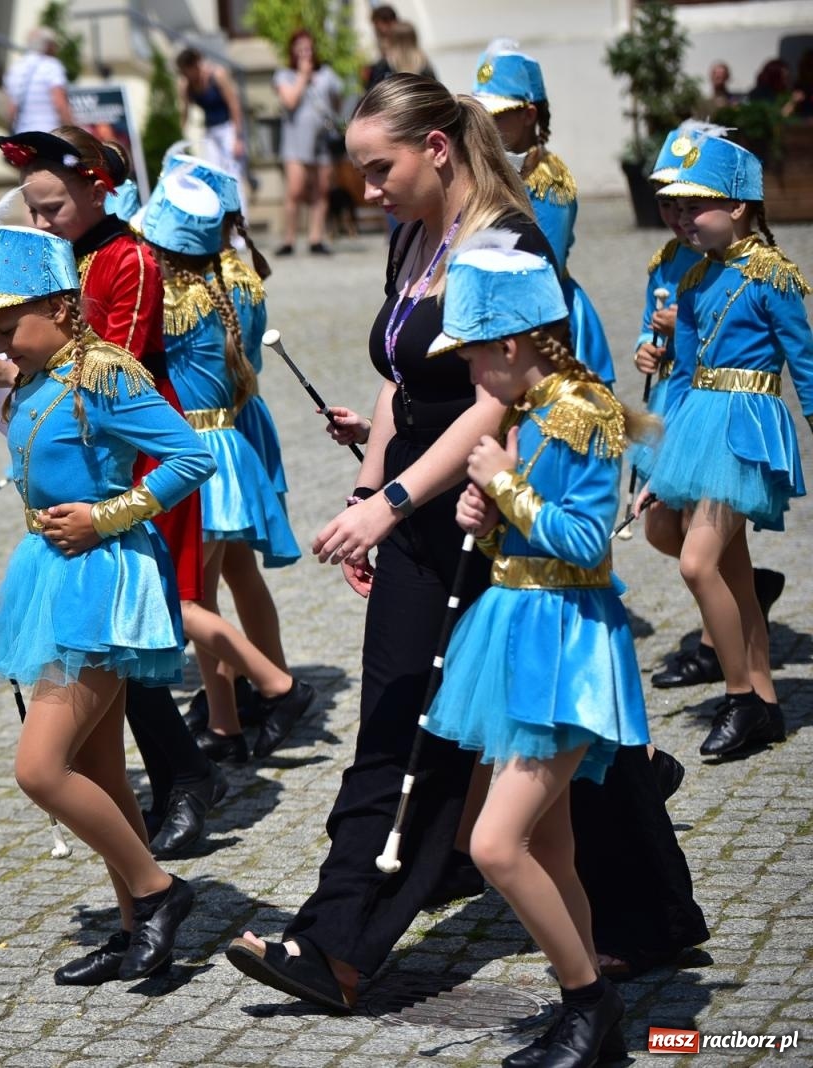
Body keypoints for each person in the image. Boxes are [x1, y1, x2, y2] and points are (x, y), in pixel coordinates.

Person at [223, 74, 560, 1013]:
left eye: (382, 168)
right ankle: (648, 898)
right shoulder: (416, 233)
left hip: (472, 515)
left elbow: (498, 401)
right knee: (439, 721)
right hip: (417, 508)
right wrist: (369, 484)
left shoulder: (506, 244)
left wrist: (396, 502)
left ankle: (337, 945)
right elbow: (396, 383)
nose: (367, 189)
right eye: (361, 171)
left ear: (440, 149)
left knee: (416, 729)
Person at [0, 223, 214, 984]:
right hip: (53, 574)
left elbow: (193, 455)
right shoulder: (38, 374)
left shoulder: (107, 374)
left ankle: (161, 892)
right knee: (98, 771)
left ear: (65, 310)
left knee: (40, 768)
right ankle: (137, 927)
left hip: (102, 580)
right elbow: (42, 422)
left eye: (12, 327)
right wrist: (4, 370)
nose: (5, 342)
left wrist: (109, 514)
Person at [0, 128, 230, 859]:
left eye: (53, 209)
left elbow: (133, 373)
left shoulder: (124, 265)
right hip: (61, 542)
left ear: (94, 189)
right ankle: (141, 906)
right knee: (101, 754)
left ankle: (179, 811)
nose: (46, 223)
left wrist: (112, 507)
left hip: (121, 467)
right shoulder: (45, 329)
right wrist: (13, 372)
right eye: (37, 212)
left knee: (61, 748)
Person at [421, 238, 649, 1067]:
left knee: (493, 846)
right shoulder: (530, 410)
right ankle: (586, 1016)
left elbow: (588, 541)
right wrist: (488, 521)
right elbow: (529, 533)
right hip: (519, 630)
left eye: (474, 352)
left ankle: (593, 1007)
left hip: (566, 644)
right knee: (550, 848)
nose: (468, 370)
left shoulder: (581, 412)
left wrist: (507, 486)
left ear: (511, 346)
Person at [639, 131, 812, 760]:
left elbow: (807, 366)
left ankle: (738, 694)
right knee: (734, 577)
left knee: (696, 563)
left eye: (696, 205)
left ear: (739, 205)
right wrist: (661, 467)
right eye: (675, 206)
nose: (682, 217)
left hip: (747, 430)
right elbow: (683, 377)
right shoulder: (692, 281)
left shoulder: (774, 277)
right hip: (698, 428)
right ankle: (764, 701)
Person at [140, 167, 314, 763]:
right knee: (238, 576)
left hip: (194, 451)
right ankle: (255, 699)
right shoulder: (237, 279)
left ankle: (232, 718)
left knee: (193, 598)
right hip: (231, 440)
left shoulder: (167, 296)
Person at [471, 40, 616, 385]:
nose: (486, 125)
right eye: (481, 114)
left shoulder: (548, 182)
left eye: (498, 115)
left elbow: (543, 268)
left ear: (528, 115)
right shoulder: (489, 169)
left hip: (543, 323)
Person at [274, 29, 344, 256]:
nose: (306, 52)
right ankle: (289, 239)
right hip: (296, 142)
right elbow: (290, 101)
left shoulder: (326, 74)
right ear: (293, 51)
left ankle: (316, 238)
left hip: (322, 141)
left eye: (309, 47)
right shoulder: (285, 75)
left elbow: (337, 100)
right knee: (295, 190)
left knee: (321, 191)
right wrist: (303, 77)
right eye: (300, 48)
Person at [176, 48, 248, 213]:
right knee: (213, 176)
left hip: (227, 128)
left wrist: (238, 137)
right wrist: (180, 138)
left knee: (232, 176)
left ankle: (241, 226)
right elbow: (185, 113)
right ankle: (223, 223)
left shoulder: (217, 75)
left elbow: (234, 105)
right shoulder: (187, 85)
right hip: (210, 131)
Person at [3, 27, 72, 134]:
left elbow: (11, 111)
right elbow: (60, 104)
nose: (56, 48)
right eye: (54, 44)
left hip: (24, 136)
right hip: (49, 134)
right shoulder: (52, 66)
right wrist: (72, 131)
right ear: (47, 46)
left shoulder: (15, 69)